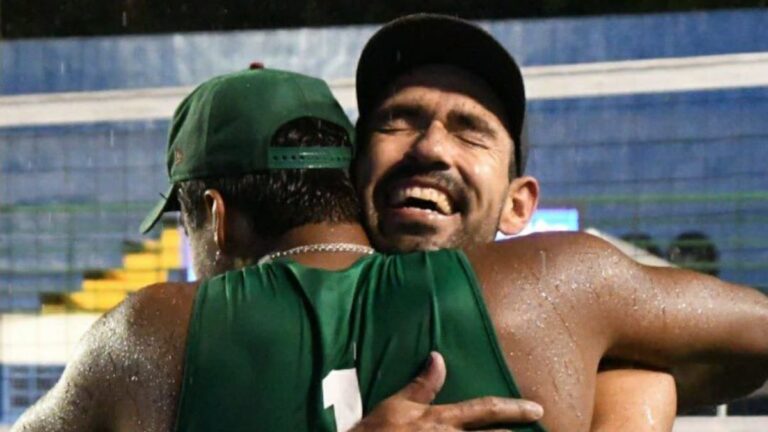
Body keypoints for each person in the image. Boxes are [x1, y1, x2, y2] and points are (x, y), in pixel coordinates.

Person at [15, 66, 768, 432]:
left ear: (214, 215)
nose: (434, 149)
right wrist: (636, 388)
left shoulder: (147, 337)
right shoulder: (560, 287)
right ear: (350, 181)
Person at [351, 13, 682, 431]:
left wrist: (632, 392)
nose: (430, 146)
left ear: (518, 205)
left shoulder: (601, 355)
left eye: (469, 132)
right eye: (398, 120)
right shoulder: (264, 310)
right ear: (354, 169)